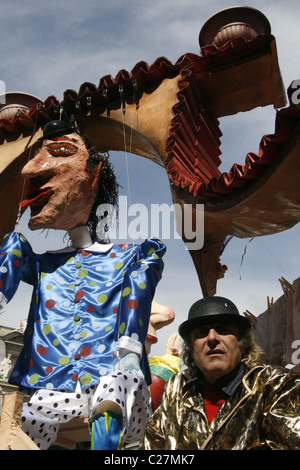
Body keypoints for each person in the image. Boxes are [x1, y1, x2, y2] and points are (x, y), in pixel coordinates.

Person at [0, 120, 168, 450]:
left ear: (94, 173)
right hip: (50, 376)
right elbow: (15, 254)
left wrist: (130, 351)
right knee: (19, 428)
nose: (31, 170)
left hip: (108, 369)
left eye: (61, 151)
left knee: (110, 397)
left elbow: (138, 288)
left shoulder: (131, 255)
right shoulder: (45, 263)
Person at [140, 296, 300, 450]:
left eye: (223, 329)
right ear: (192, 350)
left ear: (242, 344)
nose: (211, 337)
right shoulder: (177, 388)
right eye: (202, 332)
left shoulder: (273, 385)